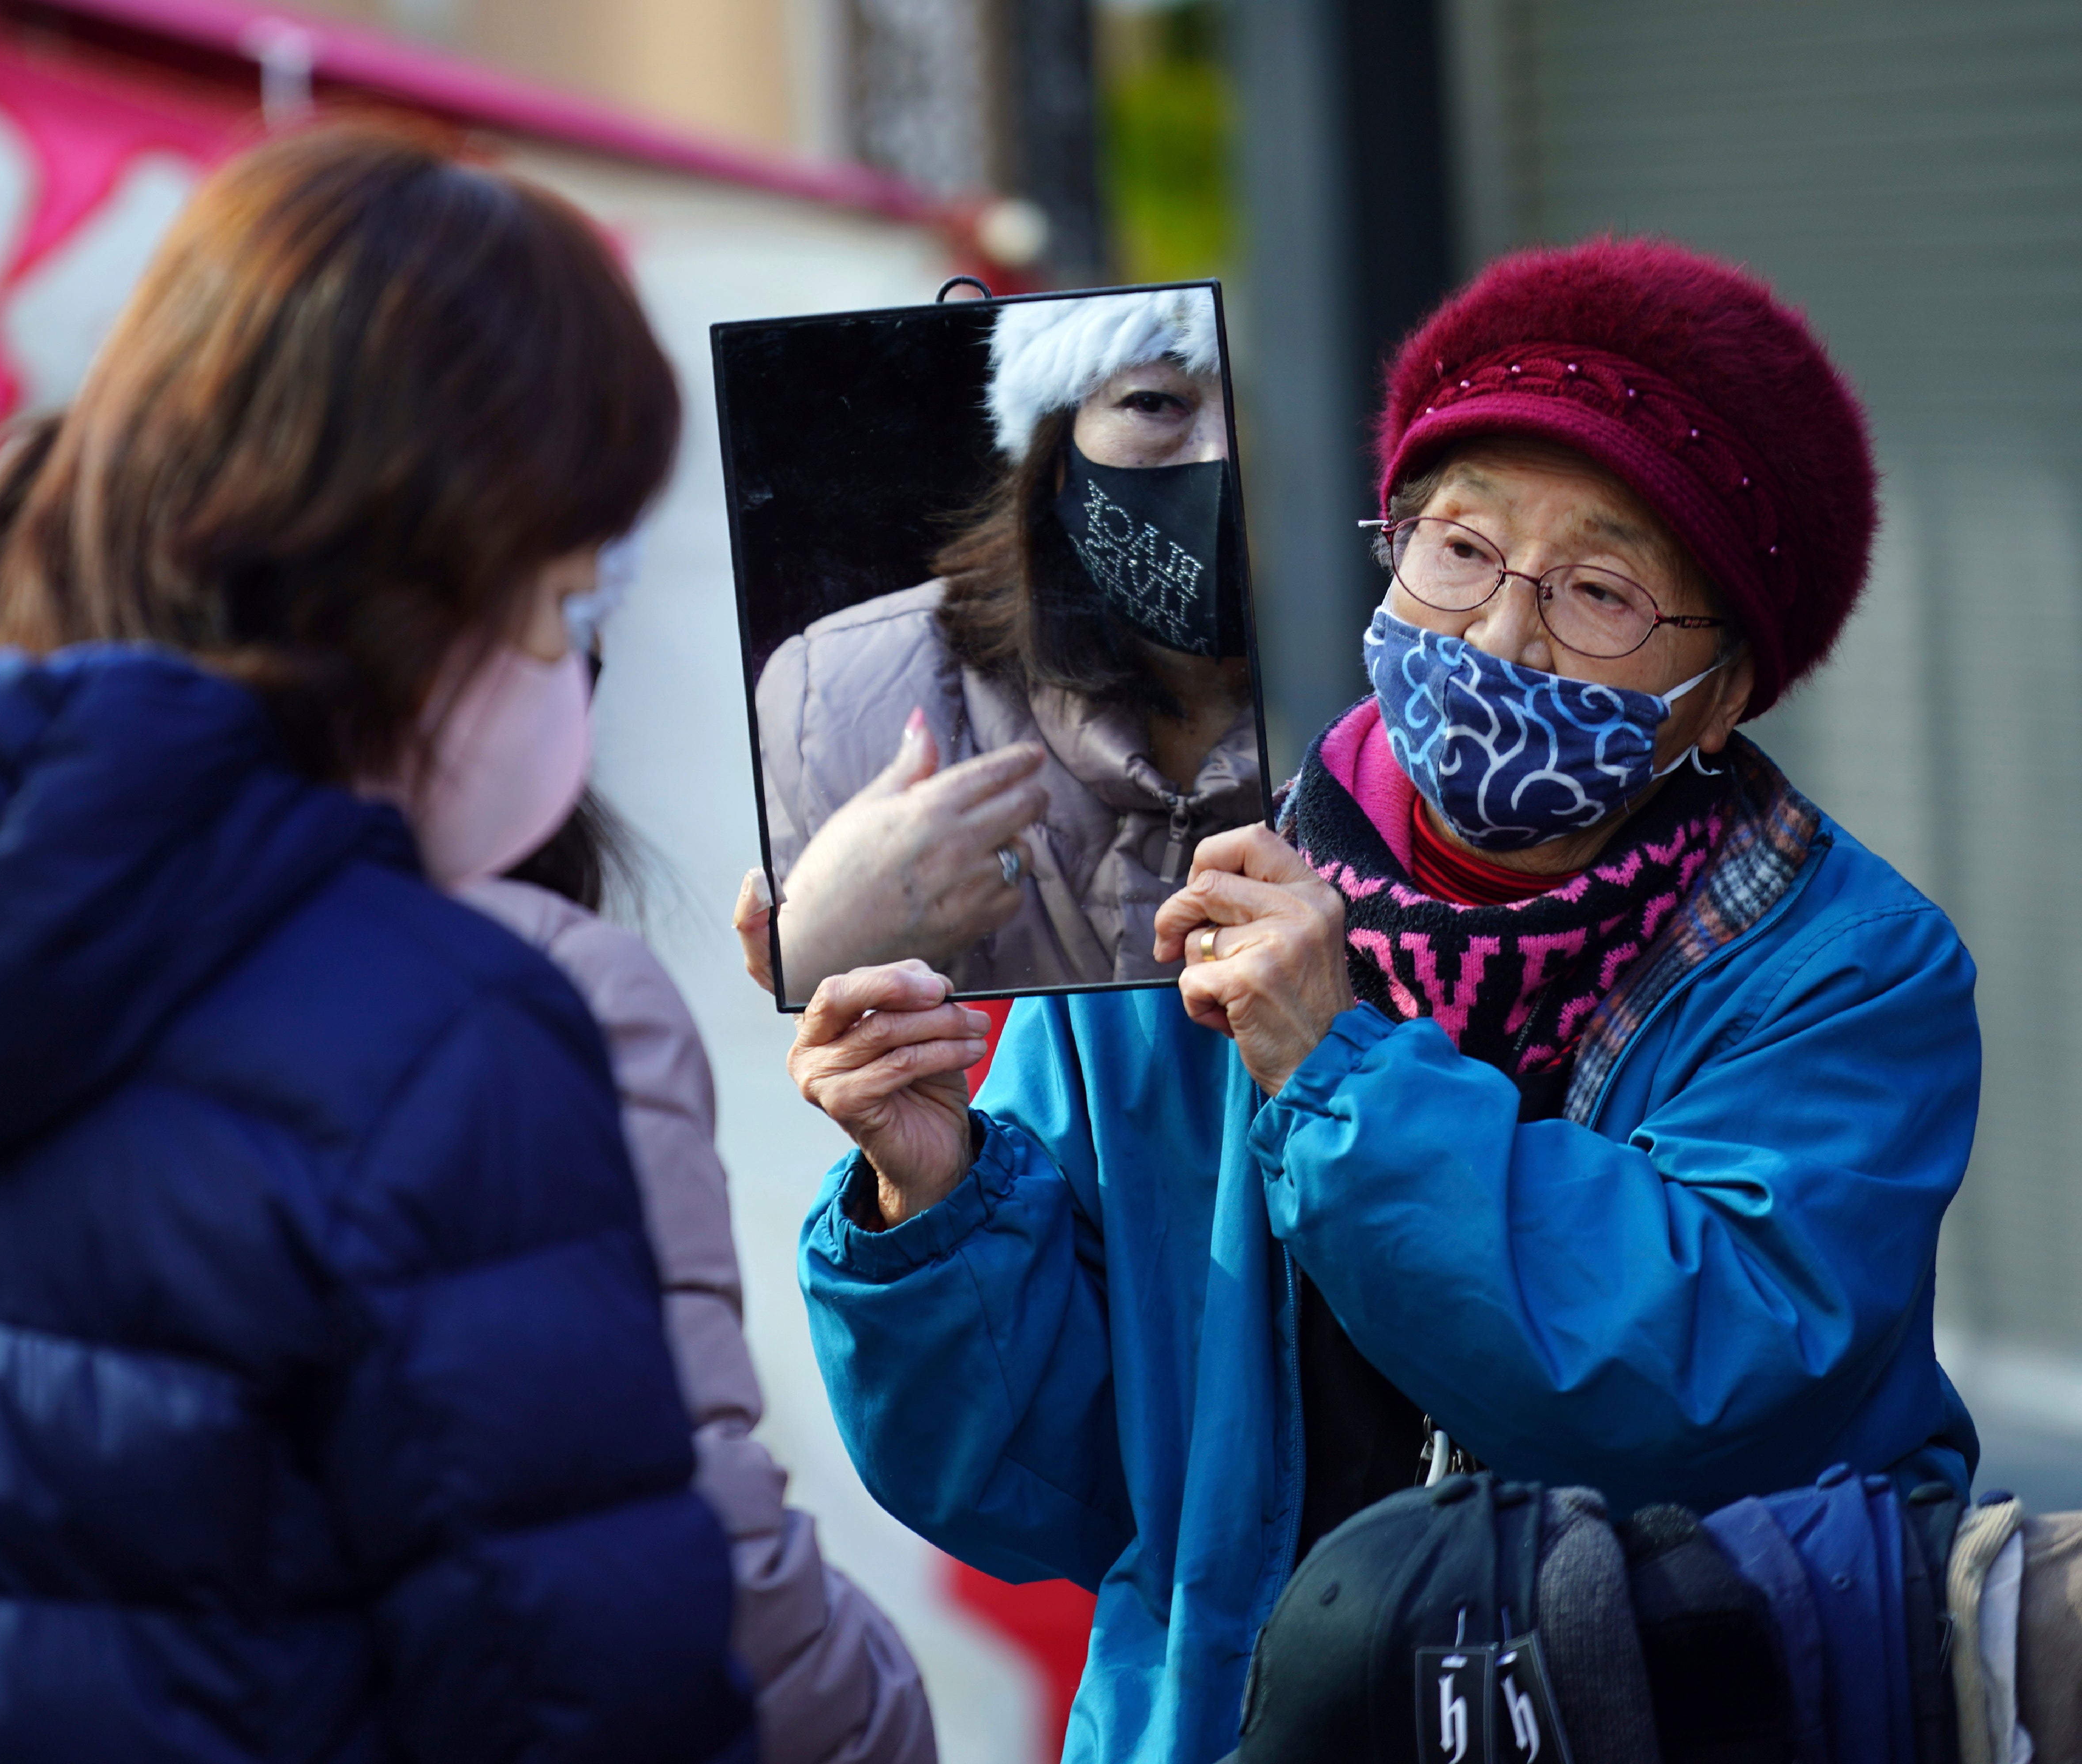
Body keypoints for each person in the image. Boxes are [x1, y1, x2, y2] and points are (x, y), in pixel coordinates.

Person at [0, 127, 751, 1762]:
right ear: (417, 577)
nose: (571, 664)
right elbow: (590, 1701)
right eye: (563, 598)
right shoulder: (447, 1040)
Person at [786, 239, 1981, 1758]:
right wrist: (933, 1191)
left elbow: (1706, 1382)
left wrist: (1336, 1070)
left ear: (1725, 689)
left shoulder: (1847, 972)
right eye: (1459, 548)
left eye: (1599, 591)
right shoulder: (1178, 903)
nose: (1495, 634)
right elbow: (1053, 1486)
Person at [466, 796, 938, 1764]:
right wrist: (881, 1715)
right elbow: (697, 1543)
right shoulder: (557, 988)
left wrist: (934, 1189)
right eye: (563, 641)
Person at [739, 286, 1262, 1000]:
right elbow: (836, 1061)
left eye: (1266, 406)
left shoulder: (1405, 706)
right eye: (1154, 401)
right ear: (1054, 455)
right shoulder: (838, 698)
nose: (1221, 457)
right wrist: (816, 951)